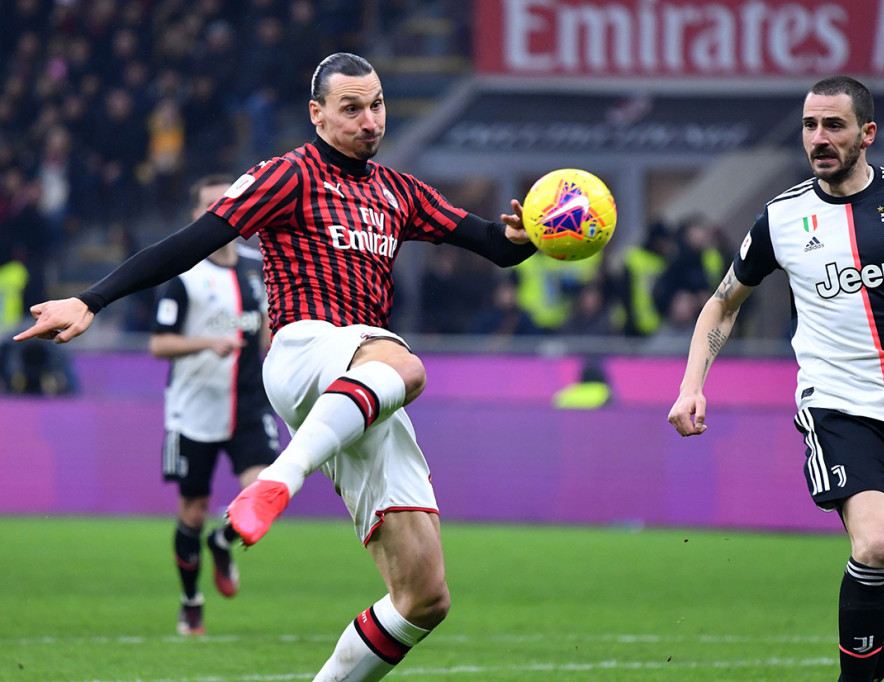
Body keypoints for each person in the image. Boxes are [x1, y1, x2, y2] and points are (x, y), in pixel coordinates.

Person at [15, 52, 536, 681]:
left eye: (376, 105)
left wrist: (528, 234)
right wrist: (91, 298)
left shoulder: (398, 191)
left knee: (423, 598)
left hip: (358, 385)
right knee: (407, 367)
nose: (369, 120)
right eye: (351, 108)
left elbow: (490, 245)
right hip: (305, 348)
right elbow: (192, 242)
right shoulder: (287, 175)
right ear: (316, 114)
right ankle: (278, 482)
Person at [667, 76, 884, 682]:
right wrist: (691, 383)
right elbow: (723, 303)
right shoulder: (782, 217)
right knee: (875, 544)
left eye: (834, 125)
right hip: (838, 409)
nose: (819, 139)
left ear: (866, 134)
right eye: (810, 126)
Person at [150, 174, 280, 636]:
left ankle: (222, 541)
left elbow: (266, 326)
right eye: (210, 205)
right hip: (194, 408)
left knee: (267, 488)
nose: (219, 211)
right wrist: (208, 343)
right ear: (195, 215)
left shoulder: (256, 266)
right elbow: (159, 344)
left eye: (227, 202)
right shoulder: (182, 277)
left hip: (247, 403)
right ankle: (191, 602)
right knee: (192, 509)